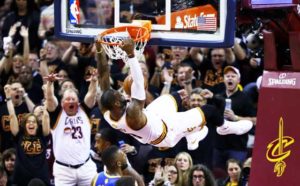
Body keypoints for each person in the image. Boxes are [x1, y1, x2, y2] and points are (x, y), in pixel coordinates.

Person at [96, 38, 226, 151]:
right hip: (166, 133)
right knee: (209, 111)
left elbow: (102, 76)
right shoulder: (132, 113)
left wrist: (99, 49)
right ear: (117, 103)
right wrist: (131, 54)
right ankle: (225, 127)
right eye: (120, 95)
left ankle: (192, 132)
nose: (123, 94)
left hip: (152, 118)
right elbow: (139, 82)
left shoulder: (107, 110)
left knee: (176, 96)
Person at [44, 70, 98, 185]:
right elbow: (49, 98)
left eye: (73, 99)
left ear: (78, 101)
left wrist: (94, 81)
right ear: (62, 102)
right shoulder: (56, 113)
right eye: (67, 99)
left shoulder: (84, 110)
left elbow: (92, 95)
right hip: (63, 170)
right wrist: (50, 84)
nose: (70, 101)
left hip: (86, 166)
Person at [5, 84, 51, 185]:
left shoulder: (43, 136)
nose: (31, 123)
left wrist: (47, 94)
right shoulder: (19, 136)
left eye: (33, 122)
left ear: (37, 125)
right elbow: (12, 116)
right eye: (28, 122)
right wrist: (8, 98)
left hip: (41, 179)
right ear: (24, 125)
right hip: (21, 180)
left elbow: (46, 116)